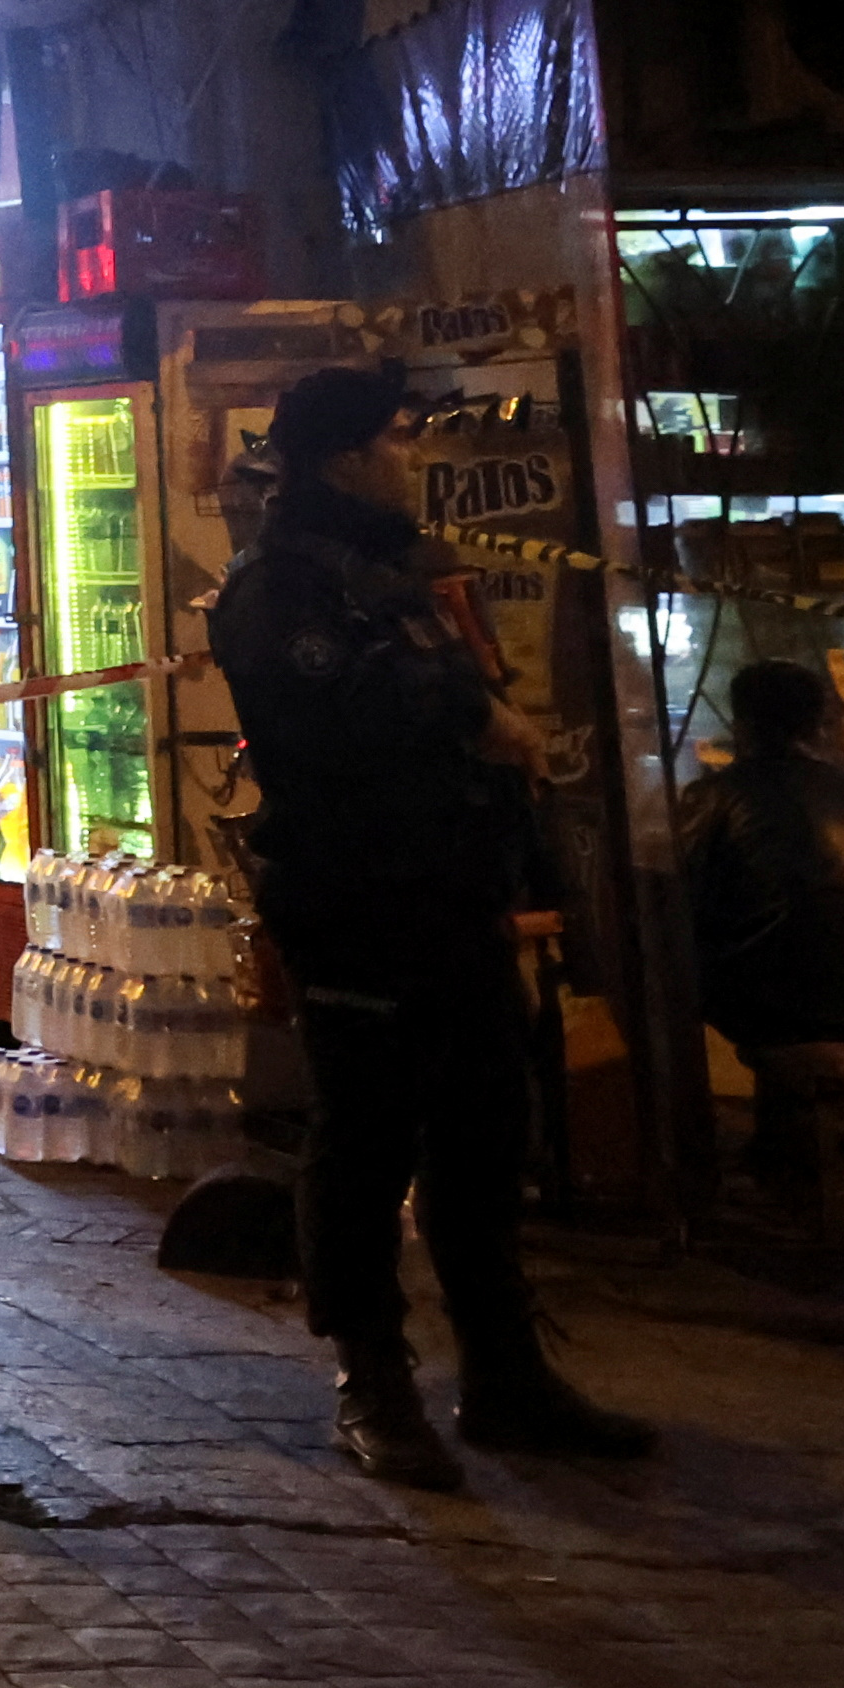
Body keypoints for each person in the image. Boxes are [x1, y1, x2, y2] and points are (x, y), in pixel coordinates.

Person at [209, 361, 650, 1486]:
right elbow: (334, 715)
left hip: (452, 890)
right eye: (399, 440)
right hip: (354, 899)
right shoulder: (279, 585)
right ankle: (374, 1377)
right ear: (349, 456)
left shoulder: (389, 571)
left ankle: (503, 1372)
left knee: (483, 1129)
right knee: (363, 1138)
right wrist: (469, 711)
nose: (413, 460)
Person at [678, 657, 844, 1074]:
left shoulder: (715, 796)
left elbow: (681, 900)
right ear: (817, 726)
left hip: (772, 1015)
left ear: (742, 725)